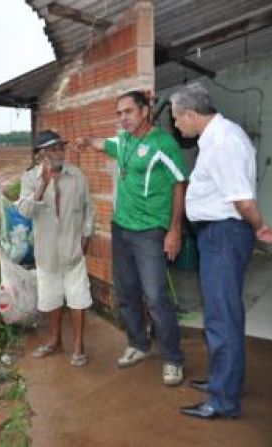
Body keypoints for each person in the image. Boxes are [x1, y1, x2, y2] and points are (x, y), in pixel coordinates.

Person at [169, 82, 272, 419]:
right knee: (221, 313)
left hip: (224, 234)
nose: (176, 125)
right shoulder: (218, 137)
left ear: (190, 113)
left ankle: (223, 400)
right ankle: (224, 382)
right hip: (217, 234)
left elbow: (243, 200)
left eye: (176, 119)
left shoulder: (223, 140)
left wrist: (259, 226)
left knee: (221, 317)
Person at [77, 90, 187, 386]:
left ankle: (173, 358)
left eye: (128, 111)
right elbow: (105, 144)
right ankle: (138, 344)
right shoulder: (123, 141)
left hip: (151, 231)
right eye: (119, 113)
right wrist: (87, 142)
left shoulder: (163, 144)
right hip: (122, 228)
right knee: (126, 292)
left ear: (145, 111)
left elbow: (180, 184)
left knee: (155, 296)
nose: (123, 118)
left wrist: (175, 229)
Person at [17, 130, 94, 367]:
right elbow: (24, 212)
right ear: (40, 155)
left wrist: (85, 239)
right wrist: (42, 184)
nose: (57, 153)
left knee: (78, 299)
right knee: (51, 300)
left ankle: (79, 345)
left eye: (59, 147)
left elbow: (88, 210)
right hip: (47, 253)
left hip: (73, 251)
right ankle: (55, 340)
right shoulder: (30, 178)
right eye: (51, 149)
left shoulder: (77, 176)